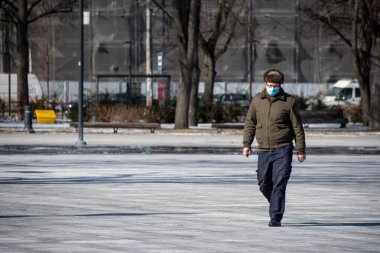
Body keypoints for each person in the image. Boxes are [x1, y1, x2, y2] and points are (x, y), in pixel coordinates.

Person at [242, 69, 306, 227]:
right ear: (265, 83)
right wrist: (246, 144)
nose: (272, 88)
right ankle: (276, 203)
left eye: (276, 85)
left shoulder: (289, 102)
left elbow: (298, 127)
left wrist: (301, 150)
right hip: (263, 149)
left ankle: (275, 217)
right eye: (270, 85)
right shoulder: (257, 100)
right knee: (263, 183)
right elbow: (250, 123)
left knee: (279, 182)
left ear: (280, 85)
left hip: (283, 149)